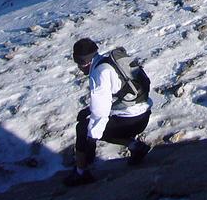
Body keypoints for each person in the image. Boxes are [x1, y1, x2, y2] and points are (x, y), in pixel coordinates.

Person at [64, 37, 152, 186]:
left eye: (79, 63)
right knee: (95, 126)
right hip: (143, 115)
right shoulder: (109, 63)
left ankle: (81, 172)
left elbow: (100, 112)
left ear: (85, 62)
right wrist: (88, 111)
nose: (78, 68)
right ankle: (136, 148)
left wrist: (90, 141)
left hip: (130, 120)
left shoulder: (99, 73)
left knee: (83, 128)